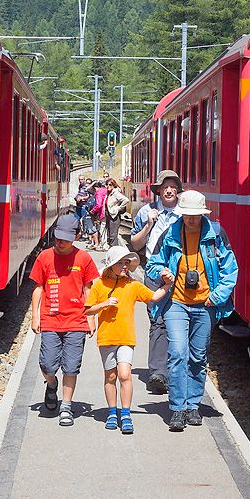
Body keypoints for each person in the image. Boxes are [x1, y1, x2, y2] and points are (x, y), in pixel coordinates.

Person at [146, 190, 238, 432]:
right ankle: (177, 408)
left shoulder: (216, 234)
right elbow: (153, 264)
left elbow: (231, 270)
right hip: (176, 301)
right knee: (177, 352)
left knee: (198, 357)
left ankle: (193, 405)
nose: (191, 220)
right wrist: (162, 273)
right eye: (187, 215)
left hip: (204, 304)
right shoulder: (170, 233)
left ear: (203, 214)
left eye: (195, 216)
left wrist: (216, 297)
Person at [84, 246, 169, 434]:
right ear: (111, 265)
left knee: (124, 374)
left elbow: (153, 297)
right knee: (111, 376)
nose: (124, 266)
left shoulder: (132, 286)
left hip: (126, 337)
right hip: (106, 338)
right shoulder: (99, 284)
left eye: (126, 263)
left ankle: (126, 413)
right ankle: (112, 412)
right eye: (120, 263)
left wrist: (167, 285)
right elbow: (88, 309)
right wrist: (104, 304)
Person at [30, 213, 100, 426]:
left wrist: (91, 317)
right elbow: (38, 287)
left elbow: (88, 290)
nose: (59, 243)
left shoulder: (84, 258)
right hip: (50, 318)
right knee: (47, 364)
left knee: (71, 366)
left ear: (77, 236)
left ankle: (66, 406)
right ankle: (51, 385)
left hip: (76, 320)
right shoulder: (44, 257)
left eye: (65, 239)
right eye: (57, 238)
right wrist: (35, 315)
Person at [127, 169, 183, 394]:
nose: (169, 190)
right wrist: (149, 226)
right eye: (164, 186)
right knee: (157, 319)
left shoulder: (185, 212)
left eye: (173, 186)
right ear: (158, 190)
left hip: (180, 273)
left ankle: (176, 370)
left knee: (179, 319)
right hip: (154, 272)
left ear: (177, 190)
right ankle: (158, 372)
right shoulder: (146, 212)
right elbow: (135, 245)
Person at [103, 178, 130, 248]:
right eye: (107, 184)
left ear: (113, 185)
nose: (108, 186)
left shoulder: (115, 193)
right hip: (109, 215)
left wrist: (118, 208)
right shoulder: (108, 193)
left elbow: (126, 200)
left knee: (113, 235)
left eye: (110, 185)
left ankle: (114, 251)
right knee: (109, 235)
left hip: (114, 216)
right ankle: (111, 251)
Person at [89, 179, 108, 250]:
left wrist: (93, 211)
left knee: (102, 229)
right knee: (105, 229)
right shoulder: (106, 190)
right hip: (108, 212)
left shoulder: (99, 192)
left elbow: (99, 204)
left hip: (102, 212)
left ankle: (104, 246)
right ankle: (104, 244)